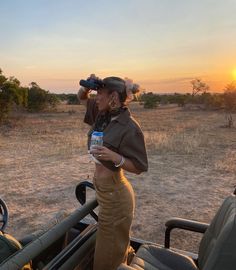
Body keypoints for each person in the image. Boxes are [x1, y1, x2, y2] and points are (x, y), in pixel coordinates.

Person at [77, 75, 148, 270]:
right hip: (105, 192)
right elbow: (82, 98)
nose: (96, 98)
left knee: (106, 260)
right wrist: (87, 87)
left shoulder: (129, 127)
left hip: (116, 197)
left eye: (100, 94)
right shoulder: (101, 114)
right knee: (114, 249)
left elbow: (140, 166)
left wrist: (115, 157)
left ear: (113, 97)